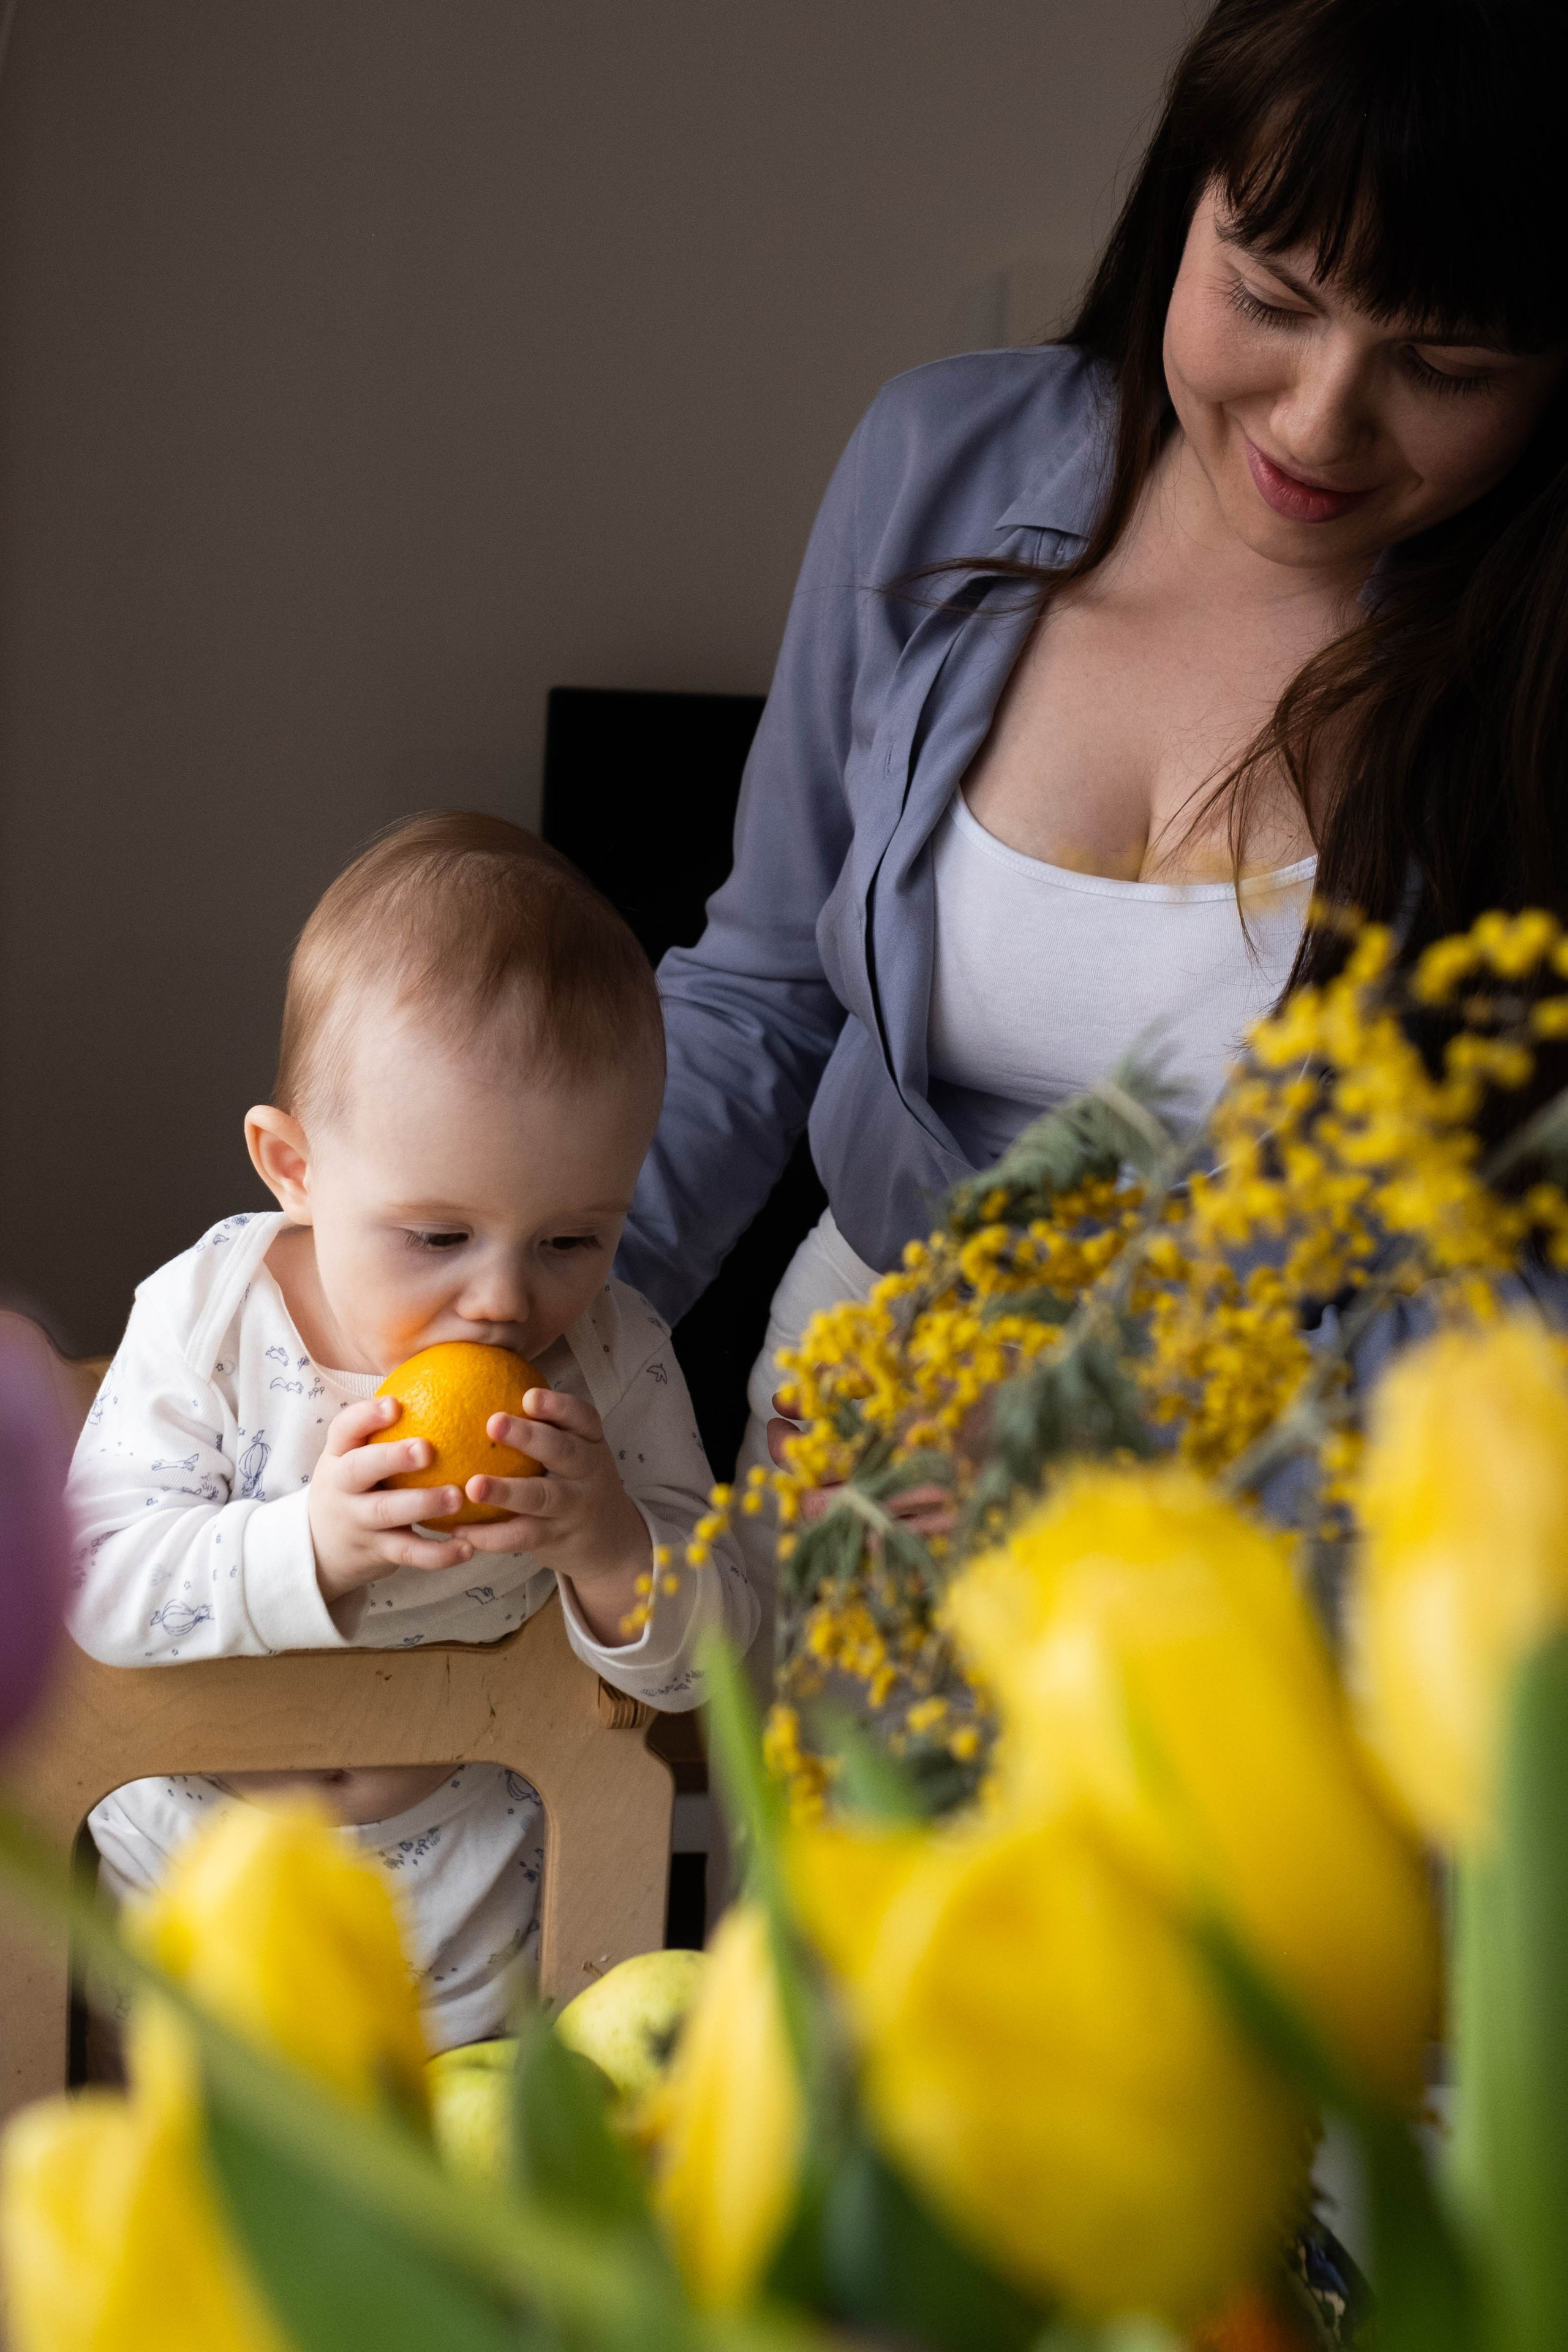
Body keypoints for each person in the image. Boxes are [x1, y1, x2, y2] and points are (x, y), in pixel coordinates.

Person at [616, 0, 1568, 1649]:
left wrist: (1138, 1405)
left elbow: (1524, 1270)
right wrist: (531, 1296)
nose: (1323, 419)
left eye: (1448, 365)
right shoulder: (939, 462)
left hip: (1279, 1555)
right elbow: (760, 987)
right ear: (1181, 197)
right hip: (858, 1465)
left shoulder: (1535, 676)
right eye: (1273, 299)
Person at [68, 812, 757, 2049]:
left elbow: (722, 1655)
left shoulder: (611, 1360)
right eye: (438, 1237)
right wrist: (313, 1546)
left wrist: (607, 1549)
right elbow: (93, 1589)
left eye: (569, 1241)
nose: (503, 1296)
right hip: (205, 1905)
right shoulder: (211, 1320)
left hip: (478, 1926)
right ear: (293, 1167)